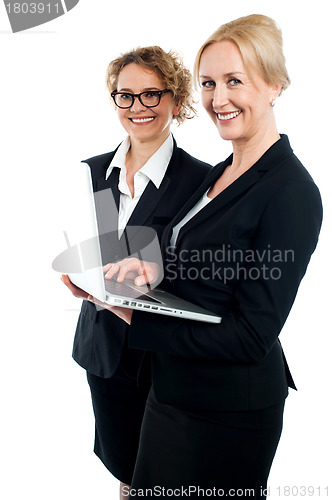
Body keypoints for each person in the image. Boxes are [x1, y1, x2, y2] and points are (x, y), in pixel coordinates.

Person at [95, 15, 323, 499]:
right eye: (208, 83)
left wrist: (136, 316)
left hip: (226, 414)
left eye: (235, 81)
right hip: (172, 392)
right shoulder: (222, 172)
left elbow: (250, 336)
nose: (219, 99)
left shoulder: (291, 192)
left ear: (275, 86)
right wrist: (154, 269)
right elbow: (211, 263)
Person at [61, 46, 211, 499]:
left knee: (170, 475)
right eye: (125, 96)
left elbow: (204, 267)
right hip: (104, 350)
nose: (137, 107)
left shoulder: (203, 181)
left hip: (166, 356)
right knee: (126, 470)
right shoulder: (90, 173)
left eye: (151, 95)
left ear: (176, 99)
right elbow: (89, 246)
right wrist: (80, 275)